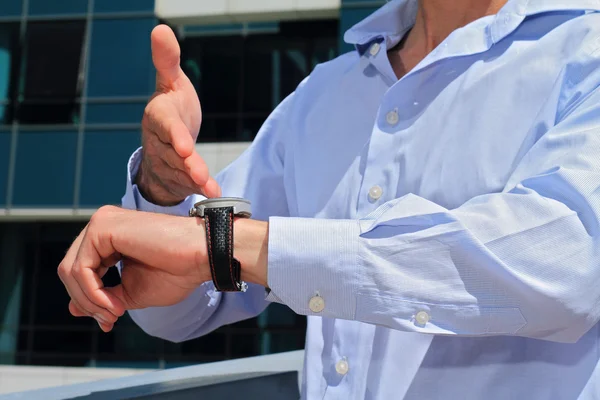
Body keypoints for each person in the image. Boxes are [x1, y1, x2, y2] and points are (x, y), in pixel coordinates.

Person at [58, 0, 600, 398]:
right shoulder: (326, 90)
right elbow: (174, 313)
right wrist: (163, 187)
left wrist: (227, 246)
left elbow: (564, 265)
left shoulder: (587, 48)